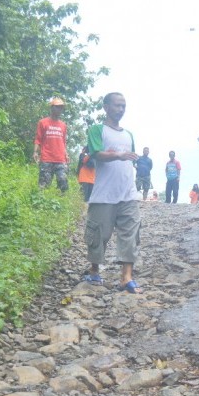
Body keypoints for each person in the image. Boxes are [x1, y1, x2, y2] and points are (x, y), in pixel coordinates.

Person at [83, 92, 143, 294]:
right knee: (99, 234)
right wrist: (118, 155)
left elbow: (130, 160)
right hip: (104, 194)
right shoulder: (97, 130)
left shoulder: (129, 134)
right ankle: (94, 271)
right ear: (106, 107)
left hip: (128, 193)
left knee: (130, 233)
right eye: (117, 105)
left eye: (123, 106)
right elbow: (96, 154)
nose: (121, 109)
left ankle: (126, 278)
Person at [33, 97, 69, 193]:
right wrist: (35, 152)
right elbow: (38, 139)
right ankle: (41, 205)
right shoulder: (43, 122)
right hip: (46, 158)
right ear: (52, 108)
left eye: (61, 107)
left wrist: (66, 154)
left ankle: (60, 205)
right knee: (44, 185)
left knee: (63, 184)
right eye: (57, 107)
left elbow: (63, 142)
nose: (60, 109)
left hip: (60, 159)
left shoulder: (63, 125)